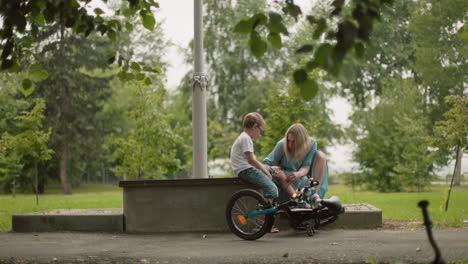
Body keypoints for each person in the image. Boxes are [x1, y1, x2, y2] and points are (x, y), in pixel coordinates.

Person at [263, 123, 329, 207]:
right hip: (283, 176)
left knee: (321, 156)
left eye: (293, 142)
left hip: (299, 175)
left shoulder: (311, 143)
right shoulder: (281, 145)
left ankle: (313, 198)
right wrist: (274, 169)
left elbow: (306, 166)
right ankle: (302, 203)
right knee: (294, 179)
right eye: (288, 141)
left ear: (302, 141)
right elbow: (267, 164)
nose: (290, 145)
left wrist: (298, 174)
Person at [230, 112, 278, 201]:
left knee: (272, 170)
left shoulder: (244, 137)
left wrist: (267, 169)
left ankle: (268, 203)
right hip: (246, 170)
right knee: (273, 190)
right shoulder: (246, 138)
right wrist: (266, 172)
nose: (260, 134)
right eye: (260, 131)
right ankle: (265, 212)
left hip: (245, 169)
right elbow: (251, 161)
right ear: (255, 127)